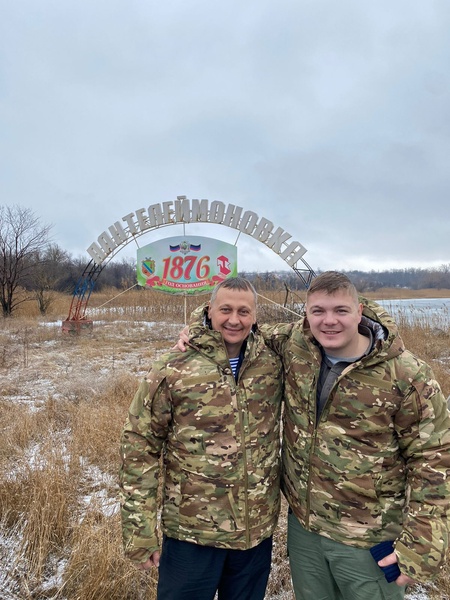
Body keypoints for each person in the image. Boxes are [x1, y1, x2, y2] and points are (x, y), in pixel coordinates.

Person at [258, 271, 450, 600]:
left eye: (340, 311)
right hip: (305, 532)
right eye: (318, 311)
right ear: (306, 312)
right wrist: (196, 328)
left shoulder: (406, 374)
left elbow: (434, 460)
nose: (328, 321)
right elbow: (233, 327)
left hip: (368, 539)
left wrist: (421, 545)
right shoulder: (295, 345)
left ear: (360, 311)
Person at [119, 277, 284, 600]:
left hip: (254, 537)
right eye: (225, 309)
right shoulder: (174, 367)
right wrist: (139, 529)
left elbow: (336, 321)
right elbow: (140, 447)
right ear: (209, 310)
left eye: (243, 311)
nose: (234, 320)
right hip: (192, 535)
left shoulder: (272, 363)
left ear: (255, 315)